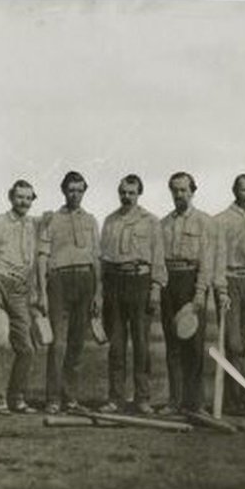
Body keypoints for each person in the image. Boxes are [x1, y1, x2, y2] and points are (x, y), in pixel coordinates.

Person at [99, 174, 166, 415]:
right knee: (116, 345)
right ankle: (115, 399)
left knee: (141, 345)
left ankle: (142, 398)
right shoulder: (110, 221)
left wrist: (156, 288)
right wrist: (101, 292)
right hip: (114, 283)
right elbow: (103, 260)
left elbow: (158, 257)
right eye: (123, 193)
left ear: (139, 194)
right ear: (119, 193)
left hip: (140, 282)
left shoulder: (151, 222)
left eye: (131, 193)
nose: (127, 197)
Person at [37, 171, 103, 415]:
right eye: (71, 190)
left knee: (76, 344)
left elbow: (96, 259)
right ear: (63, 191)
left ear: (84, 191)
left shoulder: (91, 220)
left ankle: (70, 397)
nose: (75, 194)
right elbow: (43, 256)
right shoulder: (52, 219)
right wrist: (42, 292)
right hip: (59, 280)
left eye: (79, 190)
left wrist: (98, 294)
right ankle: (53, 398)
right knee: (58, 343)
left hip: (85, 280)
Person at [0, 179, 41, 415]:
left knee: (26, 347)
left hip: (20, 287)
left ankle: (17, 398)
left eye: (28, 198)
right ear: (10, 197)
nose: (23, 202)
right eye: (19, 197)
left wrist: (33, 290)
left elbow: (33, 261)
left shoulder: (32, 225)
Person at [158, 172, 216, 418]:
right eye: (175, 190)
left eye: (183, 190)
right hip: (169, 283)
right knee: (172, 345)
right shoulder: (163, 224)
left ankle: (196, 403)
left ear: (193, 191)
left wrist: (200, 293)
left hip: (192, 283)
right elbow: (159, 261)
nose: (179, 195)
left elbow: (207, 261)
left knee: (193, 346)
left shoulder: (204, 222)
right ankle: (175, 400)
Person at [212, 174, 245, 416]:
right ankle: (239, 401)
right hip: (230, 280)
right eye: (244, 190)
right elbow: (219, 258)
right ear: (235, 190)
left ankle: (234, 400)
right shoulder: (222, 220)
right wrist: (222, 290)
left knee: (242, 345)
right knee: (232, 344)